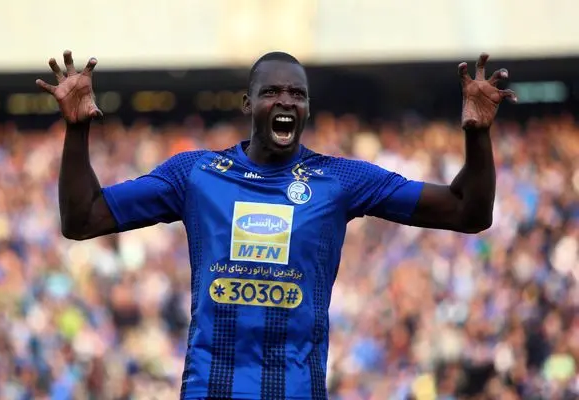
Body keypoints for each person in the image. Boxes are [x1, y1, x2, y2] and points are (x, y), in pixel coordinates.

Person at [36, 50, 516, 400]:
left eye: (297, 94)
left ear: (306, 109)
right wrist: (77, 131)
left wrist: (478, 135)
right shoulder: (196, 174)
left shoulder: (339, 180)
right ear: (247, 104)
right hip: (210, 389)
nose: (285, 101)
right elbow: (83, 219)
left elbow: (467, 212)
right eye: (271, 92)